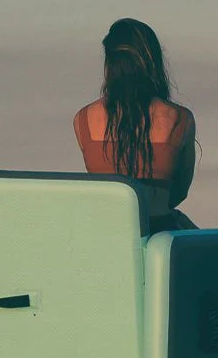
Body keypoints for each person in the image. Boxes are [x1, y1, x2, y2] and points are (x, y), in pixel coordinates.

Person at [72, 18, 200, 233]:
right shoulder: (179, 119)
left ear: (110, 64)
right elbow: (179, 192)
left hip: (105, 233)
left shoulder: (83, 119)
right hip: (158, 233)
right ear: (153, 62)